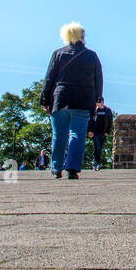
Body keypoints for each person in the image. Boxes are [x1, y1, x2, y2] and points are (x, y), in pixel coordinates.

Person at [41, 21, 103, 180]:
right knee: (77, 134)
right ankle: (72, 169)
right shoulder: (91, 55)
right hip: (82, 99)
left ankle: (56, 168)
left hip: (60, 98)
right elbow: (98, 78)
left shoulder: (58, 53)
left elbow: (49, 78)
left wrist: (44, 99)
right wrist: (98, 98)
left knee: (59, 134)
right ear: (82, 37)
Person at [88, 98, 114, 170]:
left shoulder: (107, 110)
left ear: (102, 102)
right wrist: (90, 131)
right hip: (95, 133)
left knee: (100, 148)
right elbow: (91, 121)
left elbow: (110, 122)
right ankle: (96, 163)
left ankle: (96, 162)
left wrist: (108, 132)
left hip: (103, 133)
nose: (97, 103)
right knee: (98, 147)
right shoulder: (95, 111)